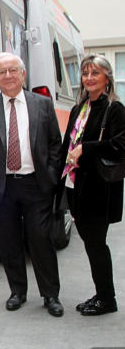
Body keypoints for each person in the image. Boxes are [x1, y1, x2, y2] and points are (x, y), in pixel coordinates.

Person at [0, 52, 64, 316]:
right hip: (2, 186)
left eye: (13, 70)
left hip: (36, 185)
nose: (8, 76)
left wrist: (51, 173)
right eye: (2, 72)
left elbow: (55, 144)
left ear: (23, 74)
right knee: (8, 242)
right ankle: (17, 292)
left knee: (41, 240)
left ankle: (50, 295)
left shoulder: (42, 104)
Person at [57, 55, 125, 316]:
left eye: (95, 73)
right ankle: (102, 294)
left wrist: (86, 148)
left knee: (97, 243)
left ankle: (107, 300)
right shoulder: (80, 108)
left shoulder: (115, 109)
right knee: (90, 243)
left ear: (107, 77)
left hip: (100, 189)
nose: (89, 78)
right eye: (85, 73)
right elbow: (67, 146)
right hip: (77, 187)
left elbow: (121, 145)